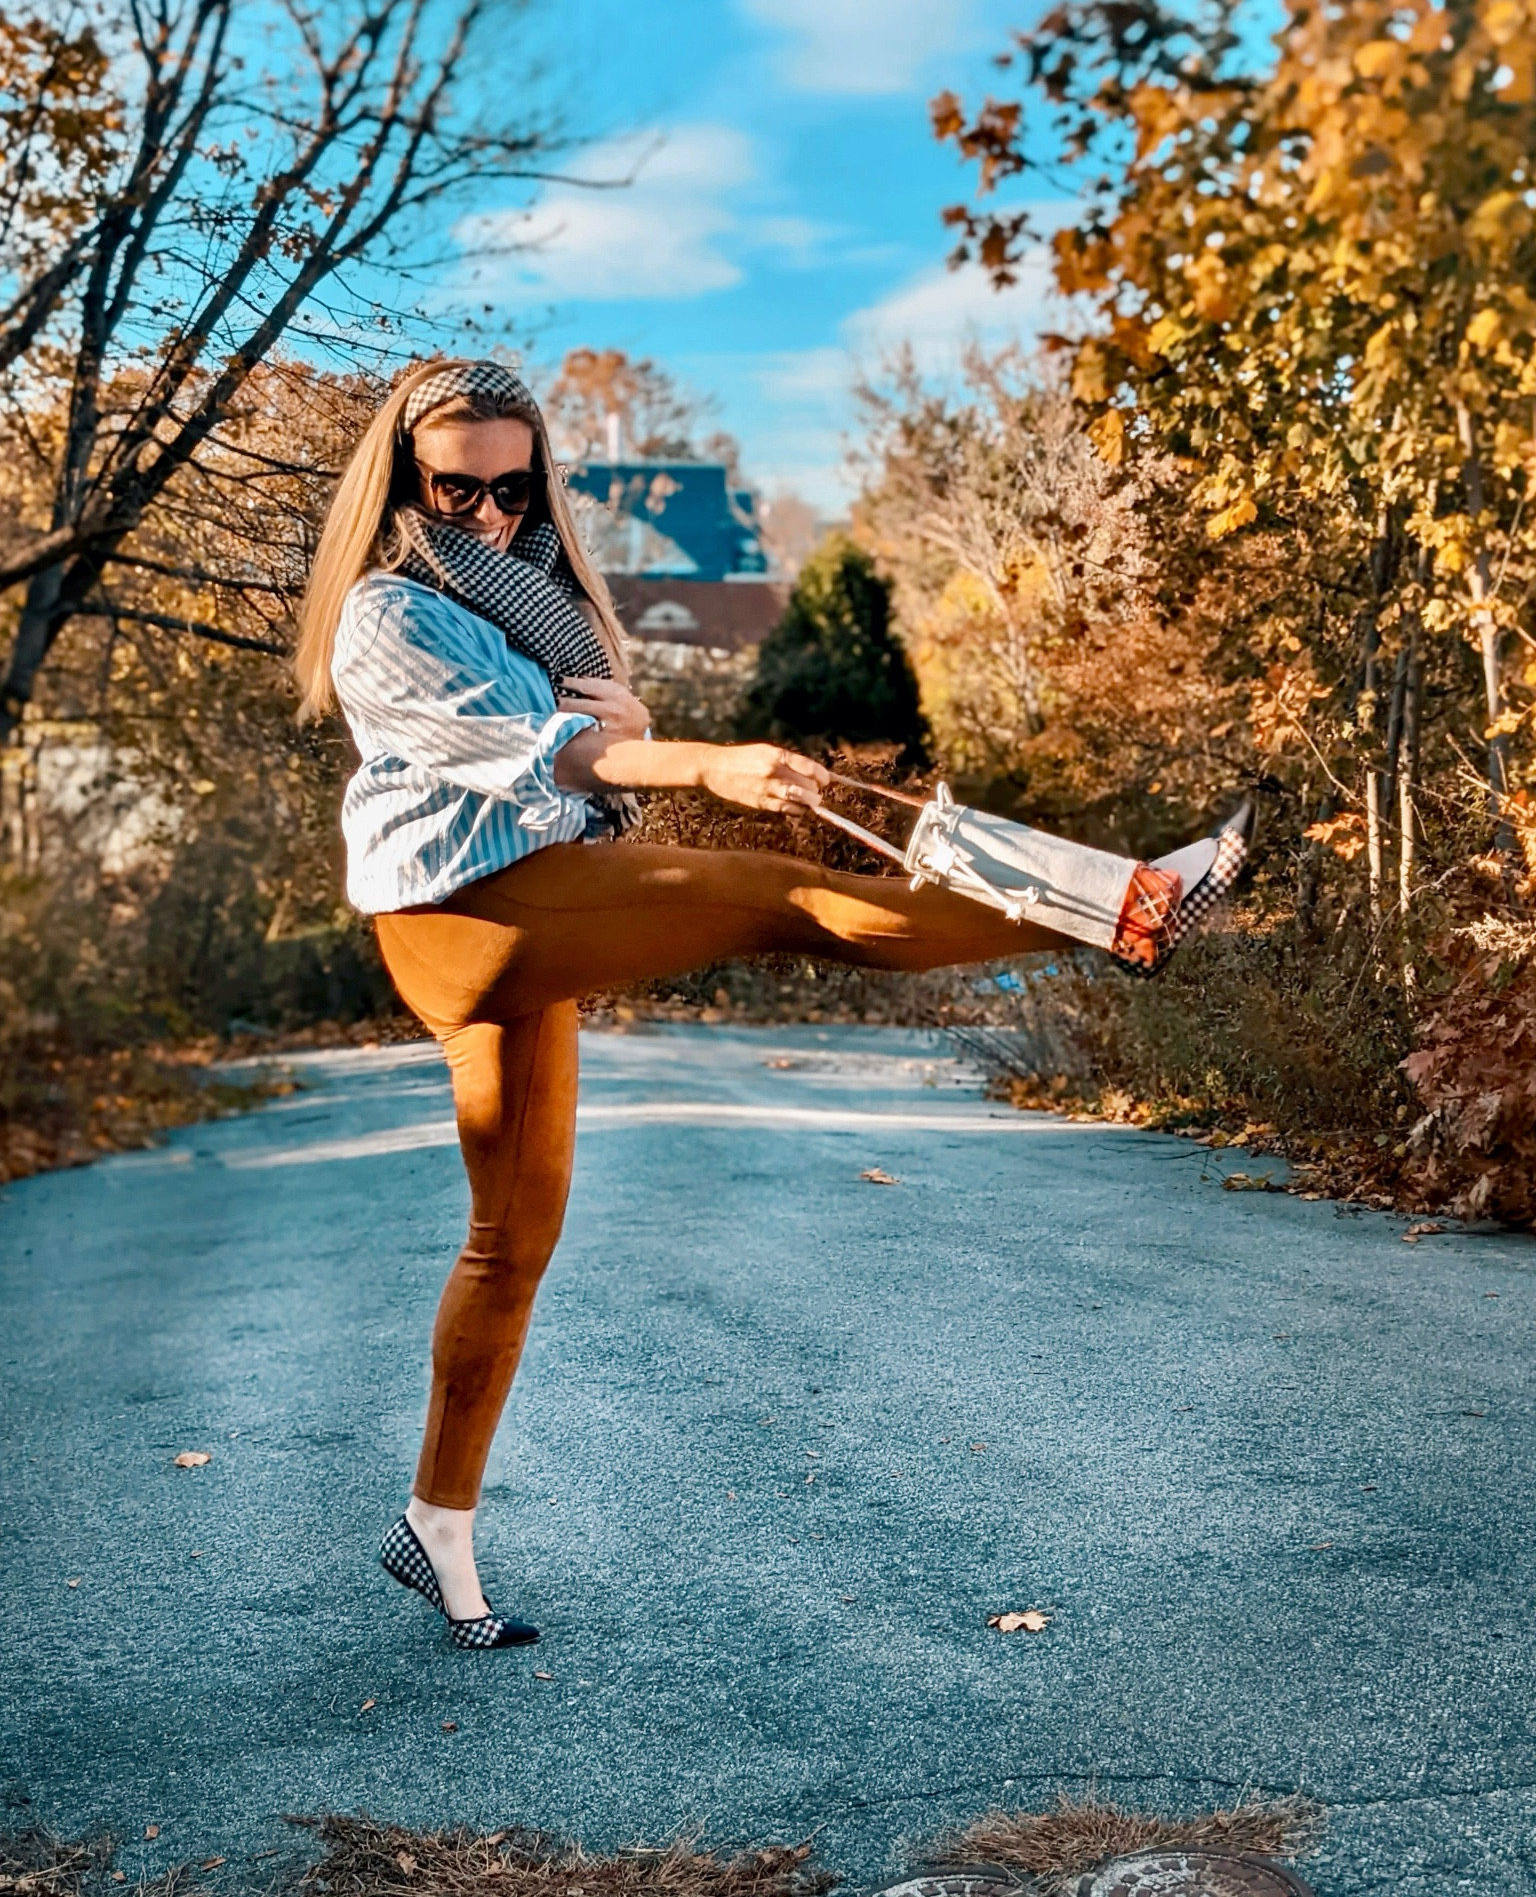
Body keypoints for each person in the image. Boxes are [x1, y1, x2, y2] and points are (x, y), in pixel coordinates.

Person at [293, 358, 1228, 1651]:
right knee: (784, 898)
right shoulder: (387, 613)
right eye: (458, 490)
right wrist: (712, 759)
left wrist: (625, 710)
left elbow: (593, 725)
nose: (489, 518)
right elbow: (560, 752)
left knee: (512, 1240)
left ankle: (437, 1528)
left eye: (513, 490)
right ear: (406, 480)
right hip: (468, 916)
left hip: (528, 892)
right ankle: (1113, 905)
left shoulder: (524, 599)